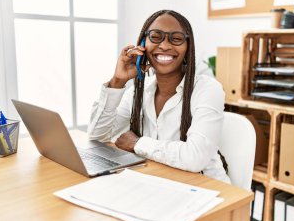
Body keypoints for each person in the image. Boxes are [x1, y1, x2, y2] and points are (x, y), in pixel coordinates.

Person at [87, 10, 230, 183]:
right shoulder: (138, 91)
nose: (165, 45)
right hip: (158, 182)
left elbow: (195, 157)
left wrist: (137, 143)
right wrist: (118, 81)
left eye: (176, 38)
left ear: (188, 48)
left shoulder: (207, 89)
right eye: (156, 36)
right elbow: (97, 137)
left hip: (207, 189)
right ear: (142, 44)